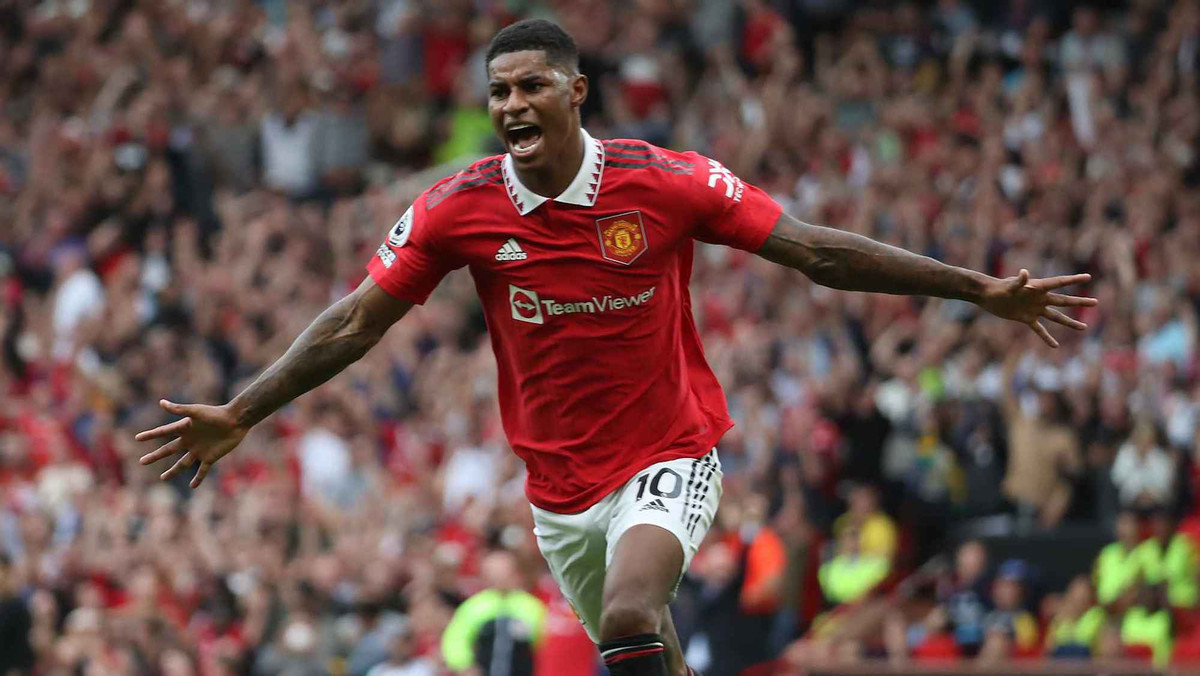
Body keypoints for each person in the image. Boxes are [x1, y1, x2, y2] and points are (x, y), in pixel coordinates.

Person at [134, 19, 1097, 676]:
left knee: (634, 616)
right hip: (558, 491)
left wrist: (976, 289)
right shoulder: (457, 208)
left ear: (577, 91)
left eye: (531, 86)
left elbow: (815, 252)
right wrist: (243, 411)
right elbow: (356, 321)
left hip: (669, 451)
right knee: (644, 651)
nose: (512, 105)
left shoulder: (665, 182)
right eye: (498, 91)